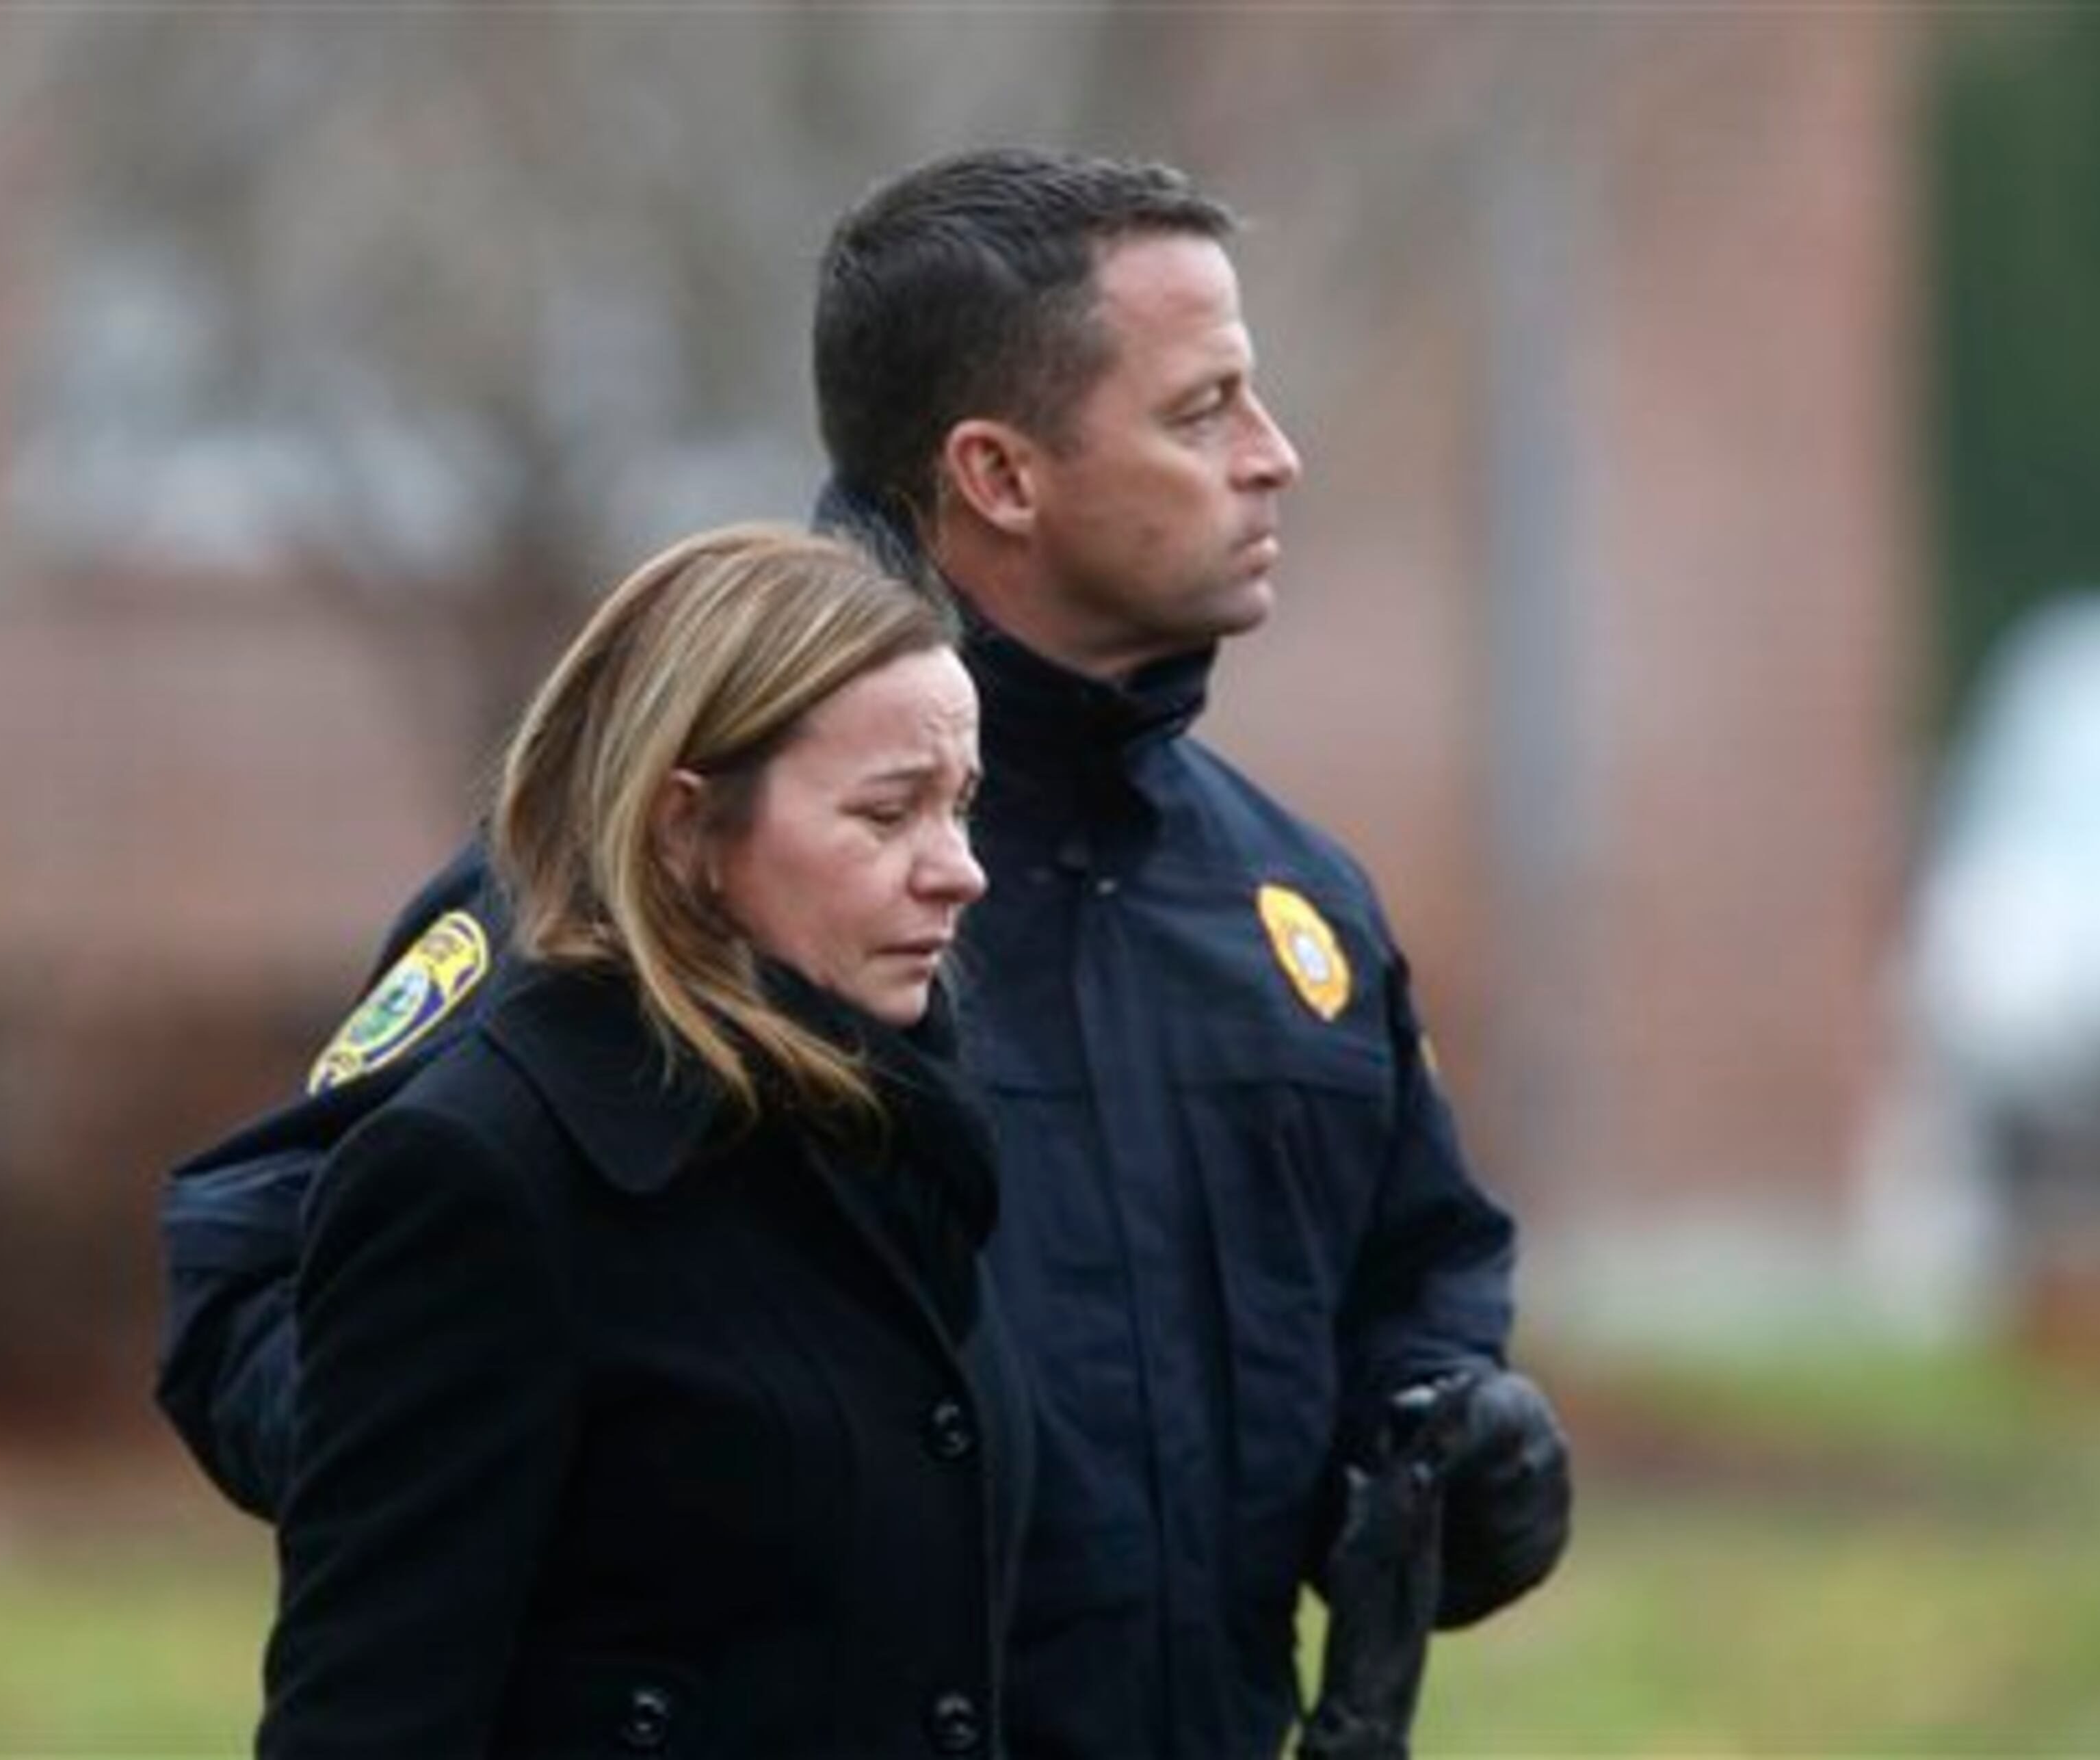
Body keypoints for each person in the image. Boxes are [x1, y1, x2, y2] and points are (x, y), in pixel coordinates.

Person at [163, 148, 1571, 1759]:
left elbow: (1419, 1286)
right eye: (1203, 412)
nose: (1277, 460)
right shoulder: (664, 871)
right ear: (1000, 473)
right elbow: (283, 1278)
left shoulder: (1288, 912)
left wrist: (1452, 1447)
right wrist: (592, 1493)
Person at [257, 523, 1029, 1757]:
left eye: (963, 805)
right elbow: (367, 1717)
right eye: (890, 814)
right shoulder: (480, 1173)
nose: (962, 871)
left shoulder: (898, 1133)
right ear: (685, 828)